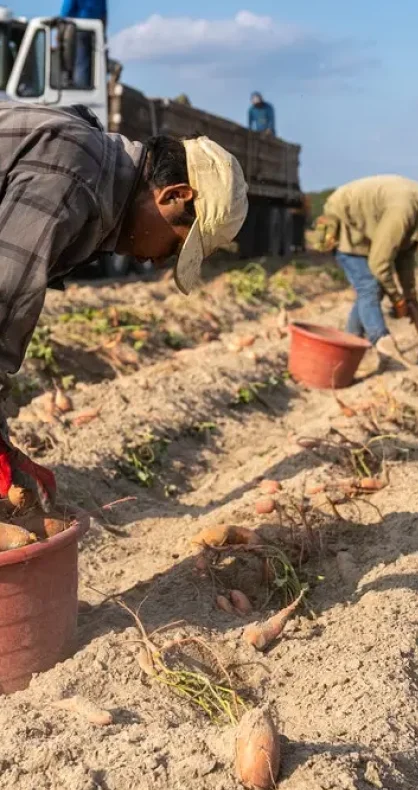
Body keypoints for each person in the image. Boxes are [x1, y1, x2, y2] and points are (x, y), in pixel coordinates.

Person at [0, 102, 248, 511]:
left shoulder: (98, 173)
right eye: (176, 245)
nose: (162, 260)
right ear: (173, 196)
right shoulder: (74, 173)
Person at [313, 175, 418, 367]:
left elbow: (404, 257)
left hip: (367, 228)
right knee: (370, 286)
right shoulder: (404, 212)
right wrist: (397, 298)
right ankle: (383, 343)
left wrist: (410, 297)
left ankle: (346, 347)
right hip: (347, 223)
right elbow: (379, 262)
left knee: (373, 289)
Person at [60, 0, 107, 87]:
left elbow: (67, 8)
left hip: (80, 27)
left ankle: (81, 91)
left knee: (81, 63)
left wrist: (61, 27)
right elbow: (104, 11)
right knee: (94, 64)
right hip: (96, 30)